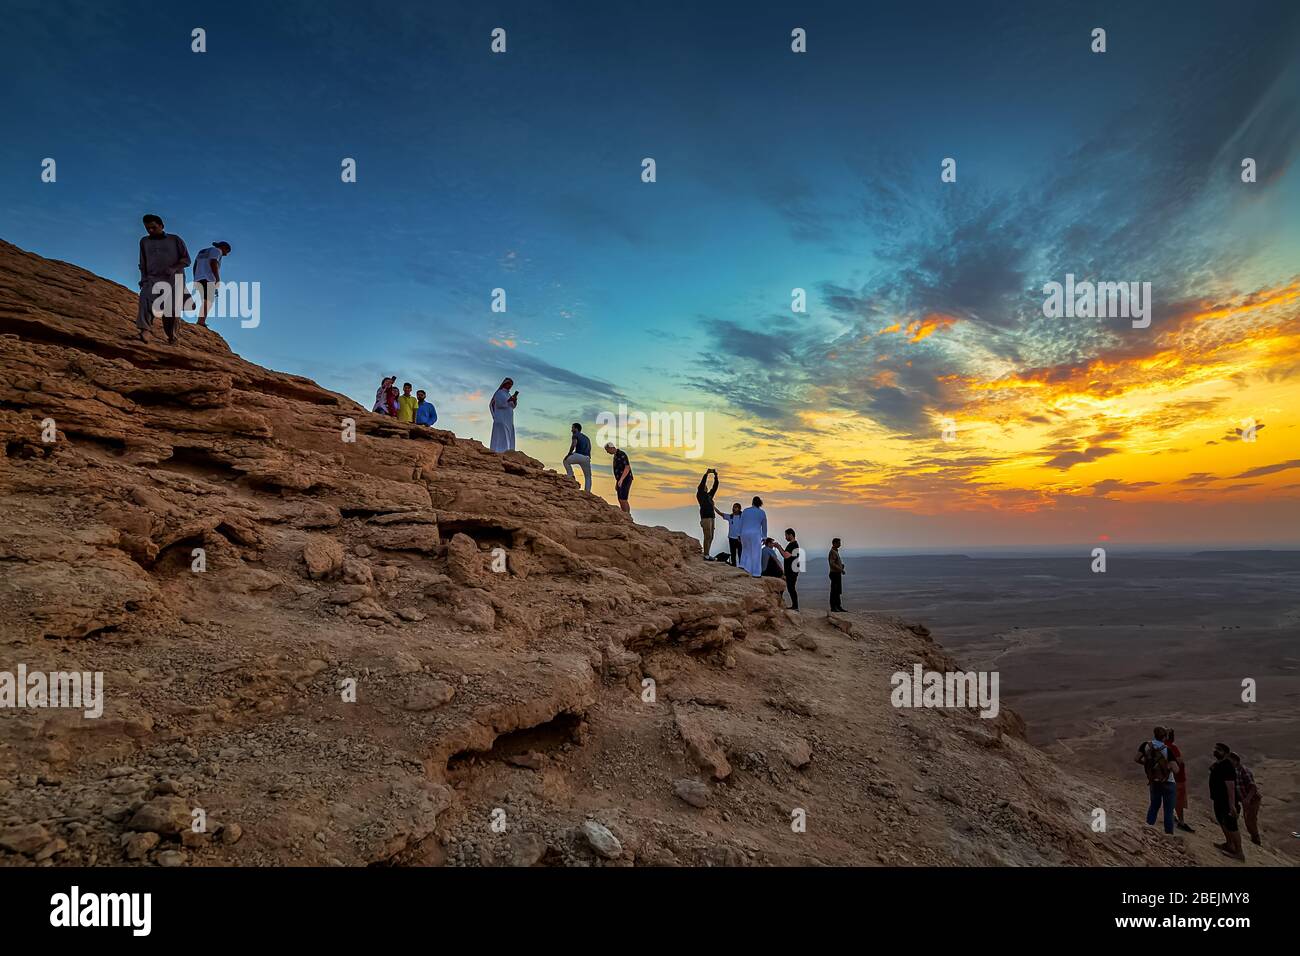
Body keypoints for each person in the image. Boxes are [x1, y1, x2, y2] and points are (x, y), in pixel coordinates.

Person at [136, 214, 191, 344]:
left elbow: (186, 260)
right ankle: (145, 330)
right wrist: (143, 279)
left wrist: (173, 268)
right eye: (147, 228)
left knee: (170, 311)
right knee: (145, 299)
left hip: (174, 279)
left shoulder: (175, 239)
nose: (150, 231)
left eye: (153, 227)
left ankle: (172, 337)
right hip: (152, 278)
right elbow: (142, 263)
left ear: (161, 226)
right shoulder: (144, 241)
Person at [1135, 726, 1177, 836]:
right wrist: (1167, 767)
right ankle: (1169, 835)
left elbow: (1136, 758)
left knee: (1154, 806)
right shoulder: (1167, 749)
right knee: (1168, 811)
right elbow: (1176, 769)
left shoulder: (1146, 745)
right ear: (1164, 737)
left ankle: (1148, 831)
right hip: (1168, 782)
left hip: (1154, 781)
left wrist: (1149, 766)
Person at [1209, 742, 1244, 860]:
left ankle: (1239, 852)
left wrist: (1232, 805)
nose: (1216, 751)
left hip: (1226, 801)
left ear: (1225, 753)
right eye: (1215, 749)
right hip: (1218, 800)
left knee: (1232, 826)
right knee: (1222, 822)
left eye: (1219, 750)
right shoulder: (1218, 764)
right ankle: (1229, 845)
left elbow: (1230, 786)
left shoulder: (1227, 766)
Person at [191, 240, 230, 325]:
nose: (226, 254)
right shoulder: (217, 251)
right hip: (209, 278)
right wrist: (217, 278)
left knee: (205, 300)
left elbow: (195, 265)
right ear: (223, 248)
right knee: (208, 301)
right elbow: (213, 262)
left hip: (199, 277)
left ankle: (197, 315)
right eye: (227, 251)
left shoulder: (202, 251)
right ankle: (201, 321)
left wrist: (195, 278)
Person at [1229, 752, 1262, 846]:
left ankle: (1256, 840)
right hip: (1245, 800)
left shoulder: (1244, 771)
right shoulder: (1234, 771)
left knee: (1251, 819)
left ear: (1235, 761)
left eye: (1230, 761)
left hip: (1253, 799)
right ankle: (1254, 838)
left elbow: (1253, 787)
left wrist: (1247, 799)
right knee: (1247, 820)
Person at [1165, 728, 1193, 832]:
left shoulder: (1159, 747)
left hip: (1166, 779)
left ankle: (1170, 816)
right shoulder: (1172, 747)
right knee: (1178, 801)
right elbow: (1179, 762)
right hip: (1177, 779)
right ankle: (1181, 822)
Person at [737, 497, 767, 576]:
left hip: (744, 533)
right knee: (756, 553)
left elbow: (741, 523)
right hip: (755, 534)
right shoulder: (762, 512)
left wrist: (739, 534)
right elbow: (764, 526)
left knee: (745, 550)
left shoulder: (745, 511)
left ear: (752, 502)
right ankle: (756, 573)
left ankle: (743, 565)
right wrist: (764, 537)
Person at [489, 378, 518, 452]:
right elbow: (499, 404)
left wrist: (514, 400)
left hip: (508, 419)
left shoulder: (508, 394)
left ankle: (507, 451)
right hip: (501, 418)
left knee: (509, 435)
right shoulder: (499, 393)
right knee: (502, 434)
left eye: (511, 385)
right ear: (505, 384)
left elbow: (512, 406)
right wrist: (509, 400)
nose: (510, 386)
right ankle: (498, 451)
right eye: (509, 384)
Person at [777, 528, 801, 610]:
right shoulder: (793, 544)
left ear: (790, 535)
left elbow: (786, 555)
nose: (785, 537)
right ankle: (792, 605)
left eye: (786, 535)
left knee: (791, 588)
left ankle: (795, 606)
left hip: (792, 571)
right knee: (788, 587)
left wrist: (778, 547)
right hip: (791, 570)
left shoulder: (793, 545)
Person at [696, 469, 719, 559]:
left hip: (712, 517)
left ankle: (707, 554)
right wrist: (706, 474)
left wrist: (716, 476)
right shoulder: (700, 495)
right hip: (705, 518)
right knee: (707, 536)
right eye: (704, 486)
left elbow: (715, 487)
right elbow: (702, 484)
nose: (706, 487)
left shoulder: (709, 496)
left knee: (711, 537)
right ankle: (706, 554)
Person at [563, 423, 592, 492]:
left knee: (565, 461)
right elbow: (589, 448)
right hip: (587, 458)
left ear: (576, 429)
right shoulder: (586, 438)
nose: (571, 430)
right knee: (588, 476)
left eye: (572, 428)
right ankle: (587, 492)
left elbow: (574, 444)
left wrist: (569, 453)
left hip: (578, 455)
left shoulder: (575, 435)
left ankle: (570, 476)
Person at [605, 443, 633, 514]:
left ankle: (627, 515)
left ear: (611, 448)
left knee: (623, 498)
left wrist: (621, 480)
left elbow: (627, 467)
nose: (607, 452)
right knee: (620, 499)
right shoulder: (615, 455)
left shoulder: (621, 454)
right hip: (620, 479)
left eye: (607, 450)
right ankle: (624, 513)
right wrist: (617, 482)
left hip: (626, 479)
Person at [717, 502, 743, 566]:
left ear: (739, 509)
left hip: (740, 538)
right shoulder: (730, 517)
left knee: (741, 553)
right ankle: (734, 566)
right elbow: (721, 514)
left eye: (735, 507)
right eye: (733, 507)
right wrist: (713, 507)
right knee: (733, 553)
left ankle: (742, 567)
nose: (733, 508)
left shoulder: (743, 517)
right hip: (731, 538)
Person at [828, 538, 846, 612]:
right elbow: (832, 563)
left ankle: (838, 606)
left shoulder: (835, 551)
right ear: (834, 543)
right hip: (834, 573)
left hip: (837, 573)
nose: (840, 544)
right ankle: (833, 607)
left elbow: (834, 562)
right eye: (838, 543)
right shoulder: (832, 552)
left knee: (837, 590)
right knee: (834, 591)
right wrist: (840, 569)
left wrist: (841, 565)